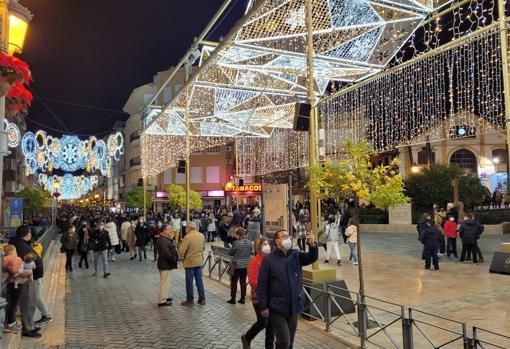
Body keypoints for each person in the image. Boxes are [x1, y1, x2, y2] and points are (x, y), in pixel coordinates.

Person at [257, 230, 318, 349]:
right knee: (284, 341)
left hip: (294, 307)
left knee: (290, 343)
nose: (287, 238)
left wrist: (312, 245)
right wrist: (263, 306)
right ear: (277, 241)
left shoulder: (295, 254)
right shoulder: (269, 260)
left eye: (288, 236)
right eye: (284, 236)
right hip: (277, 308)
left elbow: (311, 257)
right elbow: (262, 284)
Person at [9, 225, 42, 338]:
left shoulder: (18, 243)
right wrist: (35, 266)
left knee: (28, 303)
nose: (31, 235)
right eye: (30, 233)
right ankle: (28, 328)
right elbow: (26, 262)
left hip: (26, 278)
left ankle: (30, 325)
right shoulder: (22, 246)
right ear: (27, 234)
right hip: (27, 278)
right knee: (28, 303)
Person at [242, 237, 274, 349]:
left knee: (271, 324)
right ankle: (247, 337)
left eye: (268, 243)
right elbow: (253, 282)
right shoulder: (254, 262)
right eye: (264, 244)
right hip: (259, 297)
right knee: (263, 322)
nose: (267, 246)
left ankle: (269, 347)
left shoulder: (271, 259)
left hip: (272, 297)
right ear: (259, 247)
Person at [179, 221, 206, 306]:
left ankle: (190, 300)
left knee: (189, 282)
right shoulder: (201, 235)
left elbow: (181, 251)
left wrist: (182, 258)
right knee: (199, 281)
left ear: (189, 228)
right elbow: (203, 247)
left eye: (186, 227)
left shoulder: (187, 237)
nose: (185, 229)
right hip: (199, 261)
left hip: (190, 262)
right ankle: (202, 299)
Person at [3, 244, 26, 333]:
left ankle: (10, 322)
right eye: (15, 250)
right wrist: (27, 271)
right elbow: (16, 271)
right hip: (16, 283)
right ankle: (11, 324)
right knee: (13, 303)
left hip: (10, 283)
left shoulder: (4, 259)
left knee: (10, 303)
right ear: (12, 251)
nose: (16, 252)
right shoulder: (15, 259)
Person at [156, 224, 178, 307]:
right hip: (165, 264)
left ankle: (164, 296)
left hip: (165, 264)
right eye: (169, 229)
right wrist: (174, 258)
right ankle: (162, 300)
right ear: (164, 231)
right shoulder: (163, 240)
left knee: (165, 282)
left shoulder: (164, 239)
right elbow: (166, 253)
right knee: (165, 283)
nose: (171, 230)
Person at [228, 228, 252, 305]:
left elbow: (231, 252)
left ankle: (233, 298)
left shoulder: (236, 243)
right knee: (243, 281)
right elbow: (250, 252)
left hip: (237, 265)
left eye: (236, 234)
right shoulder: (249, 242)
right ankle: (242, 298)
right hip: (246, 265)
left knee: (234, 281)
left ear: (238, 234)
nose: (235, 236)